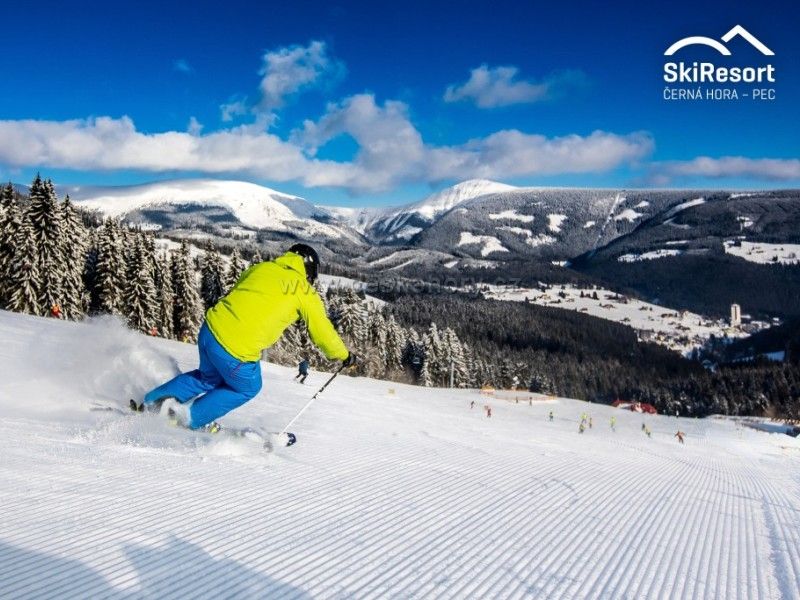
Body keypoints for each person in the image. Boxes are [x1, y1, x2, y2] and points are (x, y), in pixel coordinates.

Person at [135, 244, 356, 430]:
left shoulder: (263, 268)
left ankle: (151, 403)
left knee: (207, 378)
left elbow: (242, 290)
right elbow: (322, 332)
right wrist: (343, 355)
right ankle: (188, 420)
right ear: (309, 271)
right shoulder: (304, 292)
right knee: (248, 387)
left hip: (210, 329)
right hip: (235, 348)